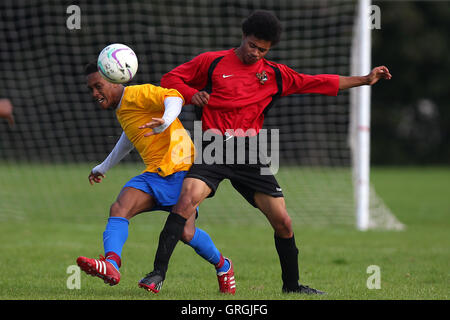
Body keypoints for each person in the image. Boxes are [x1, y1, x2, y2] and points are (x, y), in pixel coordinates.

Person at [138, 10, 392, 295]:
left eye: (263, 50)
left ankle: (292, 286)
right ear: (243, 36)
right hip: (213, 148)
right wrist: (190, 93)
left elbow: (316, 81)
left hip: (250, 152)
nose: (256, 53)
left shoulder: (273, 74)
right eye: (252, 46)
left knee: (283, 221)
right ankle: (157, 273)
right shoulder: (212, 62)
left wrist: (364, 79)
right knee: (185, 202)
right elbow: (170, 78)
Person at [76, 62, 235, 294]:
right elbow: (130, 137)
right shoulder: (123, 108)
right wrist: (103, 166)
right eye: (91, 89)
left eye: (98, 86)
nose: (94, 94)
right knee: (120, 207)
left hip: (181, 167)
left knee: (185, 233)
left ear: (114, 79)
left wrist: (167, 121)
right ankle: (111, 264)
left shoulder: (137, 93)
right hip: (155, 172)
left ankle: (224, 265)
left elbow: (175, 97)